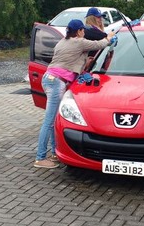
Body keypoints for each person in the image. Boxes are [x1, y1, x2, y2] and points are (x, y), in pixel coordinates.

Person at [34, 19, 114, 169]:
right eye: (82, 30)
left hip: (48, 79)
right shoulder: (79, 42)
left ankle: (54, 153)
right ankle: (40, 157)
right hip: (57, 82)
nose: (84, 33)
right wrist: (109, 37)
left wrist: (85, 64)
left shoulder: (62, 42)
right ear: (78, 32)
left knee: (54, 120)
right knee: (49, 121)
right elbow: (100, 44)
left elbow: (69, 61)